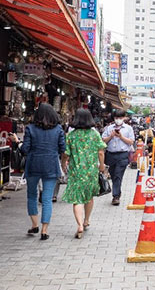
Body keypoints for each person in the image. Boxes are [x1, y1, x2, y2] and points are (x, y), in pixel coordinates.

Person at [21, 103, 66, 240]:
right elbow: (62, 148)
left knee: (32, 195)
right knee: (47, 198)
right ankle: (44, 230)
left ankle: (34, 224)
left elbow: (25, 149)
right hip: (51, 165)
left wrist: (18, 143)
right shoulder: (58, 129)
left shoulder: (30, 128)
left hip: (33, 164)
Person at [61, 108, 107, 239]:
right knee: (89, 197)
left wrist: (64, 164)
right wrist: (102, 166)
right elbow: (101, 152)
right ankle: (86, 220)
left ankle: (79, 224)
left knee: (77, 199)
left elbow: (66, 154)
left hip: (76, 171)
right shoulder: (95, 134)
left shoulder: (71, 135)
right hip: (91, 171)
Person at [102, 109, 135, 206]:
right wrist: (111, 136)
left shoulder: (128, 128)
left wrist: (121, 137)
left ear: (124, 118)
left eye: (120, 118)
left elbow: (131, 142)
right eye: (116, 118)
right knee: (113, 175)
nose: (118, 120)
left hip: (123, 155)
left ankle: (116, 196)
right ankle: (117, 192)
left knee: (117, 174)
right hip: (110, 155)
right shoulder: (109, 128)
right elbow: (103, 140)